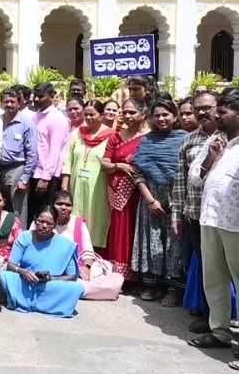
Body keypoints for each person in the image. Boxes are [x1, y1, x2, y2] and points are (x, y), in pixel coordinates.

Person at [188, 89, 239, 362]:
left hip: (236, 225)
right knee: (214, 279)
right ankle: (219, 332)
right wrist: (212, 158)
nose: (216, 115)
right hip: (210, 219)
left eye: (223, 112)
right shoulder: (215, 141)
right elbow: (195, 178)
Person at [131, 98, 187, 304]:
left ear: (175, 116)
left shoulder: (184, 139)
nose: (162, 119)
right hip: (150, 197)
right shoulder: (146, 141)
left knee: (175, 242)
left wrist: (177, 200)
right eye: (157, 115)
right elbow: (137, 173)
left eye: (166, 114)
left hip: (177, 197)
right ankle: (150, 284)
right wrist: (150, 200)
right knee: (152, 240)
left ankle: (173, 288)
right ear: (152, 118)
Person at [171, 91, 219, 321]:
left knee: (221, 270)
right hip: (193, 214)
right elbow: (180, 182)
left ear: (218, 107)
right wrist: (176, 216)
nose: (201, 113)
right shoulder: (189, 140)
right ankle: (207, 315)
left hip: (222, 217)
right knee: (200, 267)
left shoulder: (229, 138)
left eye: (206, 107)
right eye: (197, 108)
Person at [0, 207, 85, 317]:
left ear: (56, 223)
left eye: (49, 223)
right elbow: (11, 265)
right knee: (5, 276)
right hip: (26, 282)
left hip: (50, 285)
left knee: (76, 288)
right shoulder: (25, 237)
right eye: (40, 221)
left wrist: (50, 278)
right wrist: (23, 272)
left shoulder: (66, 244)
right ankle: (46, 305)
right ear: (34, 220)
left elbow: (71, 276)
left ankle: (24, 301)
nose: (44, 226)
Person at [100, 98, 150, 279]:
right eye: (125, 112)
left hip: (141, 192)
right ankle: (119, 273)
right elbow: (105, 162)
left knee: (138, 231)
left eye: (132, 112)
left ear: (143, 114)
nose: (127, 116)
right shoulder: (116, 136)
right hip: (117, 191)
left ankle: (137, 274)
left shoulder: (149, 138)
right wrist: (119, 166)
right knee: (119, 229)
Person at [43, 191, 123, 301]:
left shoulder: (78, 222)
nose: (63, 207)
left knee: (102, 270)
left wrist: (86, 267)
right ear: (52, 205)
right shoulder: (43, 220)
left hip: (76, 268)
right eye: (59, 204)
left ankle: (72, 288)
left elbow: (87, 250)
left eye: (68, 205)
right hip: (50, 266)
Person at [60, 100, 113, 249]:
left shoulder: (111, 136)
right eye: (86, 114)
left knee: (96, 217)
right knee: (75, 217)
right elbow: (67, 160)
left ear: (101, 115)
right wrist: (64, 187)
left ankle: (94, 252)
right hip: (75, 186)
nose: (88, 118)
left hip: (98, 187)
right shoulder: (77, 134)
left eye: (92, 114)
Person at [28, 82, 70, 226]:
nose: (37, 99)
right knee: (34, 215)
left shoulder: (57, 119)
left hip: (47, 177)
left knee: (46, 216)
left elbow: (55, 151)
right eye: (35, 96)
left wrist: (45, 178)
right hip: (34, 173)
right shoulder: (36, 116)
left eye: (41, 96)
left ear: (52, 97)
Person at [0, 88, 37, 218]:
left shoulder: (26, 124)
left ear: (19, 103)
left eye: (12, 101)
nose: (9, 104)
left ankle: (19, 237)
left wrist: (24, 179)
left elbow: (32, 153)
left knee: (18, 209)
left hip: (17, 169)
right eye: (6, 101)